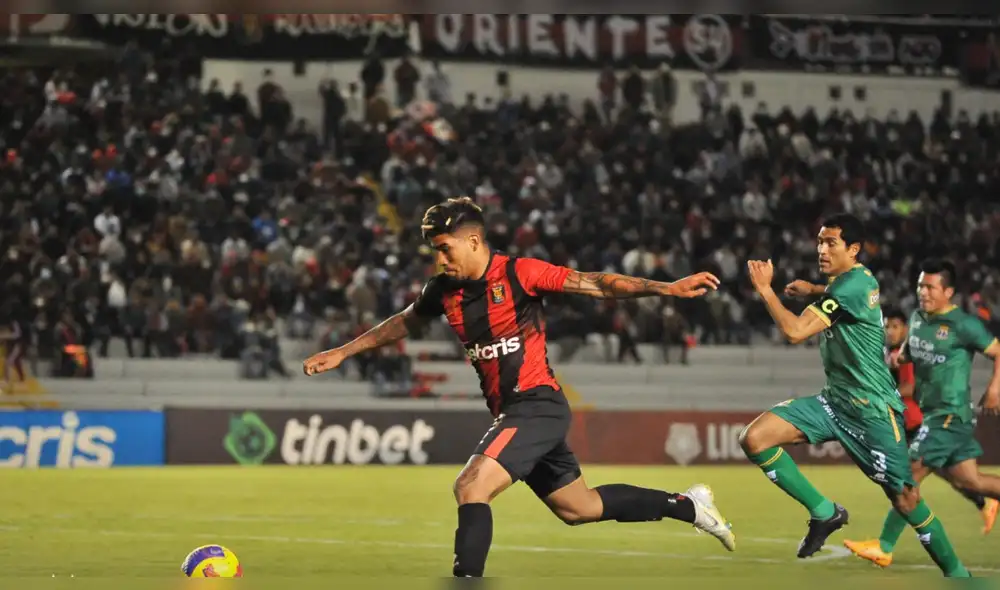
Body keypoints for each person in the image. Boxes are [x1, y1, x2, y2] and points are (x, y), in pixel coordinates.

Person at [303, 197, 736, 578]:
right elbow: (403, 322)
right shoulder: (443, 289)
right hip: (514, 412)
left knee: (471, 486)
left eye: (444, 248)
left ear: (473, 241)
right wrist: (344, 351)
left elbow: (595, 283)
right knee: (577, 508)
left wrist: (665, 288)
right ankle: (688, 505)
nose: (439, 259)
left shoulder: (520, 273)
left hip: (536, 404)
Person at [741, 214, 972, 577]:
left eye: (831, 242)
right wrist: (815, 290)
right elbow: (843, 297)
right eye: (819, 241)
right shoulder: (858, 281)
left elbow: (796, 331)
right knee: (755, 438)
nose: (821, 249)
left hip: (873, 413)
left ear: (853, 249)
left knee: (907, 499)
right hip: (834, 403)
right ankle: (824, 511)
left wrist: (766, 290)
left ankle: (960, 576)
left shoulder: (848, 287)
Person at [843, 258, 1000, 567]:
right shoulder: (916, 319)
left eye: (930, 287)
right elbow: (905, 356)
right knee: (972, 482)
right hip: (934, 416)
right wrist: (883, 363)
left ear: (949, 291)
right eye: (920, 286)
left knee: (906, 478)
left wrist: (995, 388)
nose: (923, 292)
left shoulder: (963, 325)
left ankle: (884, 546)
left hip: (949, 416)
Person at [885, 305, 996, 533]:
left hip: (926, 421)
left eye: (894, 326)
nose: (889, 331)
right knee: (966, 479)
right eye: (887, 326)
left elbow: (909, 386)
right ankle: (984, 501)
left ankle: (884, 545)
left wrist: (884, 394)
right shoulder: (902, 347)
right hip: (925, 419)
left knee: (907, 478)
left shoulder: (948, 331)